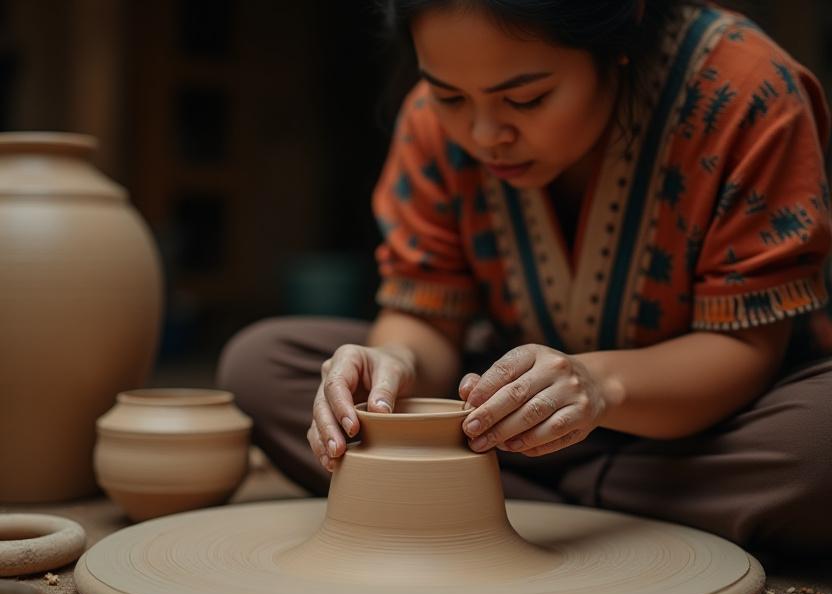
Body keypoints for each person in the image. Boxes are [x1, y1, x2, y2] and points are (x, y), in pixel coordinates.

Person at [218, 0, 832, 555]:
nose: (484, 136)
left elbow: (745, 348)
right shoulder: (430, 122)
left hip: (710, 432)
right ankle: (609, 514)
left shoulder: (744, 93)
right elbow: (428, 318)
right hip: (509, 427)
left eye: (527, 99)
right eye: (450, 97)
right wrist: (393, 363)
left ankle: (496, 501)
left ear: (620, 37)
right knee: (260, 365)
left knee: (819, 441)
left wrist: (599, 386)